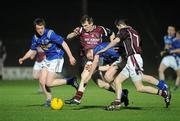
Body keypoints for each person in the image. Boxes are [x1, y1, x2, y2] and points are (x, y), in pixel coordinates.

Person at [96, 18, 171, 110]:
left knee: (140, 87)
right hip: (133, 59)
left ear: (119, 26)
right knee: (118, 81)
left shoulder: (123, 30)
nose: (118, 30)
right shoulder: (135, 31)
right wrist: (124, 49)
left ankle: (164, 93)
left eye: (117, 28)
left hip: (133, 59)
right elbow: (135, 45)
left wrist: (104, 49)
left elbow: (115, 41)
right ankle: (117, 102)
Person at [19, 18, 79, 107]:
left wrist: (70, 56)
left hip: (57, 58)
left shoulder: (50, 34)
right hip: (48, 59)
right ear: (35, 29)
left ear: (44, 27)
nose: (40, 30)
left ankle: (70, 81)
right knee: (42, 81)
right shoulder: (35, 38)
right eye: (38, 29)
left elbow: (63, 43)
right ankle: (48, 100)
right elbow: (31, 50)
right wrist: (23, 58)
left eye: (41, 28)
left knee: (49, 83)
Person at [65, 42, 129, 107]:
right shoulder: (104, 54)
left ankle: (118, 100)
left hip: (123, 59)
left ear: (90, 51)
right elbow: (108, 67)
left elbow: (96, 62)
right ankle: (122, 94)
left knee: (108, 77)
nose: (91, 58)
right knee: (103, 82)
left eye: (90, 56)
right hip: (119, 60)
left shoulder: (97, 50)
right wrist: (96, 68)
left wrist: (89, 76)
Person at [66, 15, 116, 96]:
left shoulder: (100, 29)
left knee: (84, 76)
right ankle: (121, 93)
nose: (84, 27)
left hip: (97, 58)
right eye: (83, 25)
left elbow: (112, 33)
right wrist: (73, 34)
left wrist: (112, 44)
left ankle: (77, 98)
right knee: (101, 84)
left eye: (86, 25)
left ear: (91, 23)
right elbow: (68, 37)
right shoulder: (81, 30)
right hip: (86, 58)